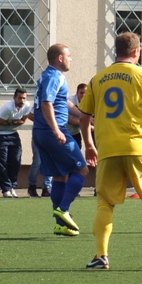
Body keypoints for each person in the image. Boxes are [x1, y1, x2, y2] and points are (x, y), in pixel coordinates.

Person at [79, 32, 142, 269]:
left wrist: (89, 145)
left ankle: (101, 256)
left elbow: (84, 116)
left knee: (105, 203)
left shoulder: (97, 79)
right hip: (138, 147)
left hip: (107, 148)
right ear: (136, 51)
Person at [33, 43, 89, 236]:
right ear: (59, 58)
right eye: (69, 56)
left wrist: (83, 114)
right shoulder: (54, 76)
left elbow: (62, 101)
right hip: (52, 132)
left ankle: (60, 224)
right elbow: (46, 103)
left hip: (41, 132)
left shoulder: (48, 76)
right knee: (82, 169)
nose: (71, 59)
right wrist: (56, 130)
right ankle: (63, 209)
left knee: (59, 175)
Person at [0, 88, 33, 198]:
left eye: (24, 98)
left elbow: (22, 121)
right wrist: (13, 122)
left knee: (16, 161)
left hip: (13, 133)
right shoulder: (7, 108)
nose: (22, 100)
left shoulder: (27, 106)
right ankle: (6, 189)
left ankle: (11, 186)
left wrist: (11, 122)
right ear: (14, 98)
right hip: (0, 134)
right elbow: (1, 122)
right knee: (2, 163)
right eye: (19, 98)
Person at [66, 83, 88, 147]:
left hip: (76, 132)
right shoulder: (70, 100)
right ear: (77, 93)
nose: (83, 95)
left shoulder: (88, 101)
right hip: (66, 133)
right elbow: (70, 120)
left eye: (85, 93)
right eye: (81, 93)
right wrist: (86, 124)